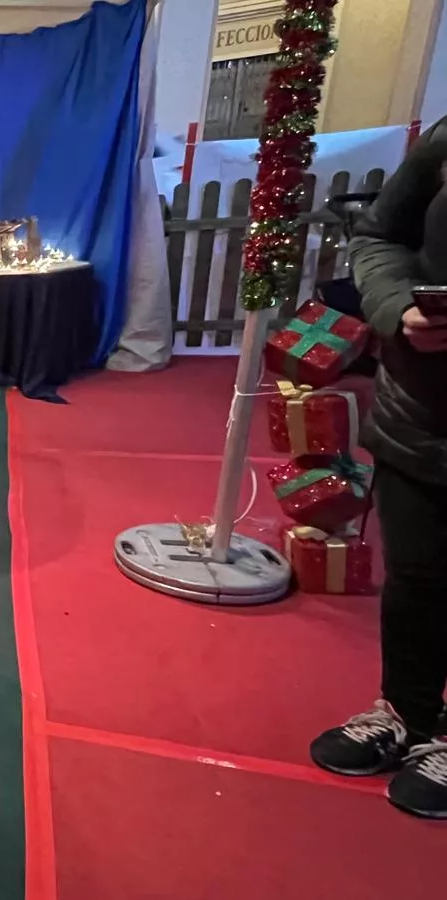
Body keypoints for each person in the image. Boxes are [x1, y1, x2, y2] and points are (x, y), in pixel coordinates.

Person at [308, 118, 447, 819]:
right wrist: (398, 309)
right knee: (416, 576)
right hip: (420, 414)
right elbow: (379, 237)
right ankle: (407, 713)